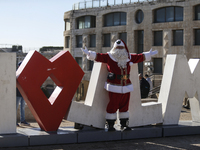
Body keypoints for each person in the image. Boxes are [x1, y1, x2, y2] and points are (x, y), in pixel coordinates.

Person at [81, 39, 157, 131]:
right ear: (114, 48)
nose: (120, 50)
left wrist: (147, 54)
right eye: (118, 48)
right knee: (113, 104)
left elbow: (138, 57)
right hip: (114, 85)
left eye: (121, 48)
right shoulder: (109, 56)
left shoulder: (128, 57)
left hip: (126, 85)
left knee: (125, 105)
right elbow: (99, 56)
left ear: (125, 48)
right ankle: (110, 124)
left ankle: (124, 124)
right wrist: (89, 53)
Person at [16, 61, 30, 126]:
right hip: (17, 93)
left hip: (23, 93)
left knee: (23, 107)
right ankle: (14, 121)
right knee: (15, 108)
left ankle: (23, 121)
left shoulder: (25, 73)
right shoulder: (16, 73)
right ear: (19, 66)